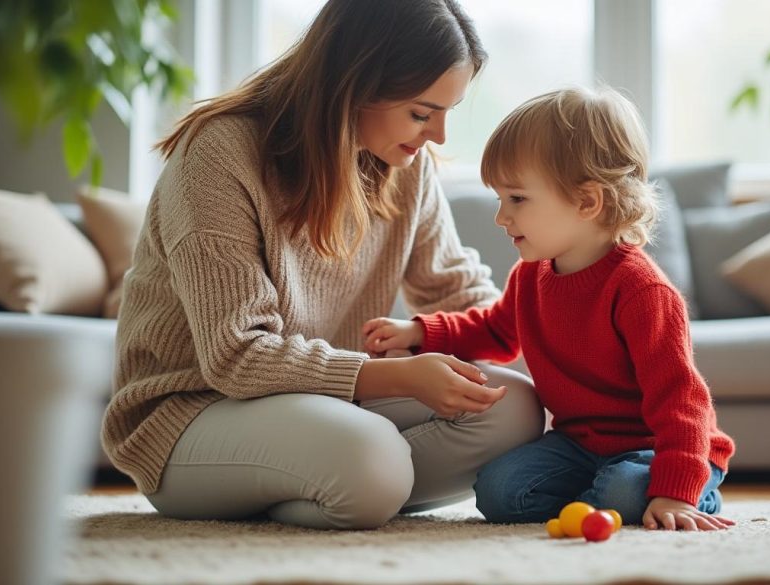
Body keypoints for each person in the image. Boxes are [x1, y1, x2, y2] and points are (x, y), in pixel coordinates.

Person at [100, 0, 544, 530]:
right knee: (369, 456)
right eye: (423, 113)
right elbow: (236, 355)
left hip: (325, 406)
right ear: (353, 84)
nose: (439, 137)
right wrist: (398, 374)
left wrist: (562, 359)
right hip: (191, 413)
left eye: (448, 113)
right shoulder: (217, 154)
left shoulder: (405, 166)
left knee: (516, 407)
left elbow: (455, 289)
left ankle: (336, 485)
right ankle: (348, 480)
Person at [362, 87, 736, 531]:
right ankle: (602, 498)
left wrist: (675, 491)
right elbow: (495, 331)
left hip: (657, 447)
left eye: (517, 199)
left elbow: (682, 403)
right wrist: (421, 333)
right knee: (499, 491)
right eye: (500, 199)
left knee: (622, 491)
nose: (502, 217)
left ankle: (694, 495)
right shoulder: (530, 275)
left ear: (587, 201)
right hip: (579, 445)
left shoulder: (642, 290)